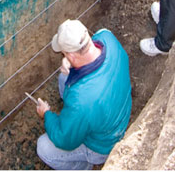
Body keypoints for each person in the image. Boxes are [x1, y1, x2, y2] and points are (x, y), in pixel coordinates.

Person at [34, 19, 132, 170]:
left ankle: (83, 166)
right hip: (115, 112)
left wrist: (46, 114)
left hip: (102, 144)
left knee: (44, 147)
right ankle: (72, 117)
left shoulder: (81, 100)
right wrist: (72, 68)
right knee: (64, 77)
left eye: (65, 54)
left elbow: (64, 139)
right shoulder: (107, 37)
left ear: (72, 56)